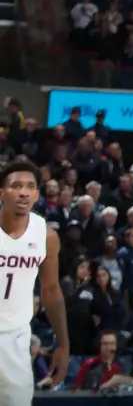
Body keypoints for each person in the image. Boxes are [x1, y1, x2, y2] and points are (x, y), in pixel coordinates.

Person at [0, 159, 69, 402]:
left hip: (15, 340)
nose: (23, 192)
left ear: (37, 194)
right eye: (15, 185)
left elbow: (50, 289)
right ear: (2, 192)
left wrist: (63, 344)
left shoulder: (46, 236)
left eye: (30, 186)